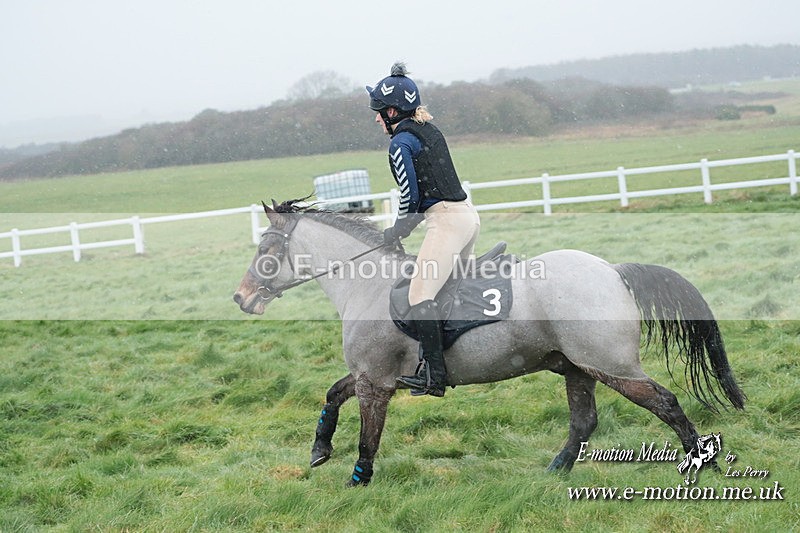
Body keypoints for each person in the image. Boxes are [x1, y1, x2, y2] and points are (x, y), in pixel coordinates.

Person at [366, 62, 480, 397]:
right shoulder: (430, 130)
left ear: (391, 111)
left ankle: (435, 376)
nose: (376, 119)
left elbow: (410, 196)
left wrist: (396, 230)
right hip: (468, 217)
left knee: (420, 295)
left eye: (377, 112)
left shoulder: (400, 142)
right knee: (444, 293)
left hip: (446, 222)